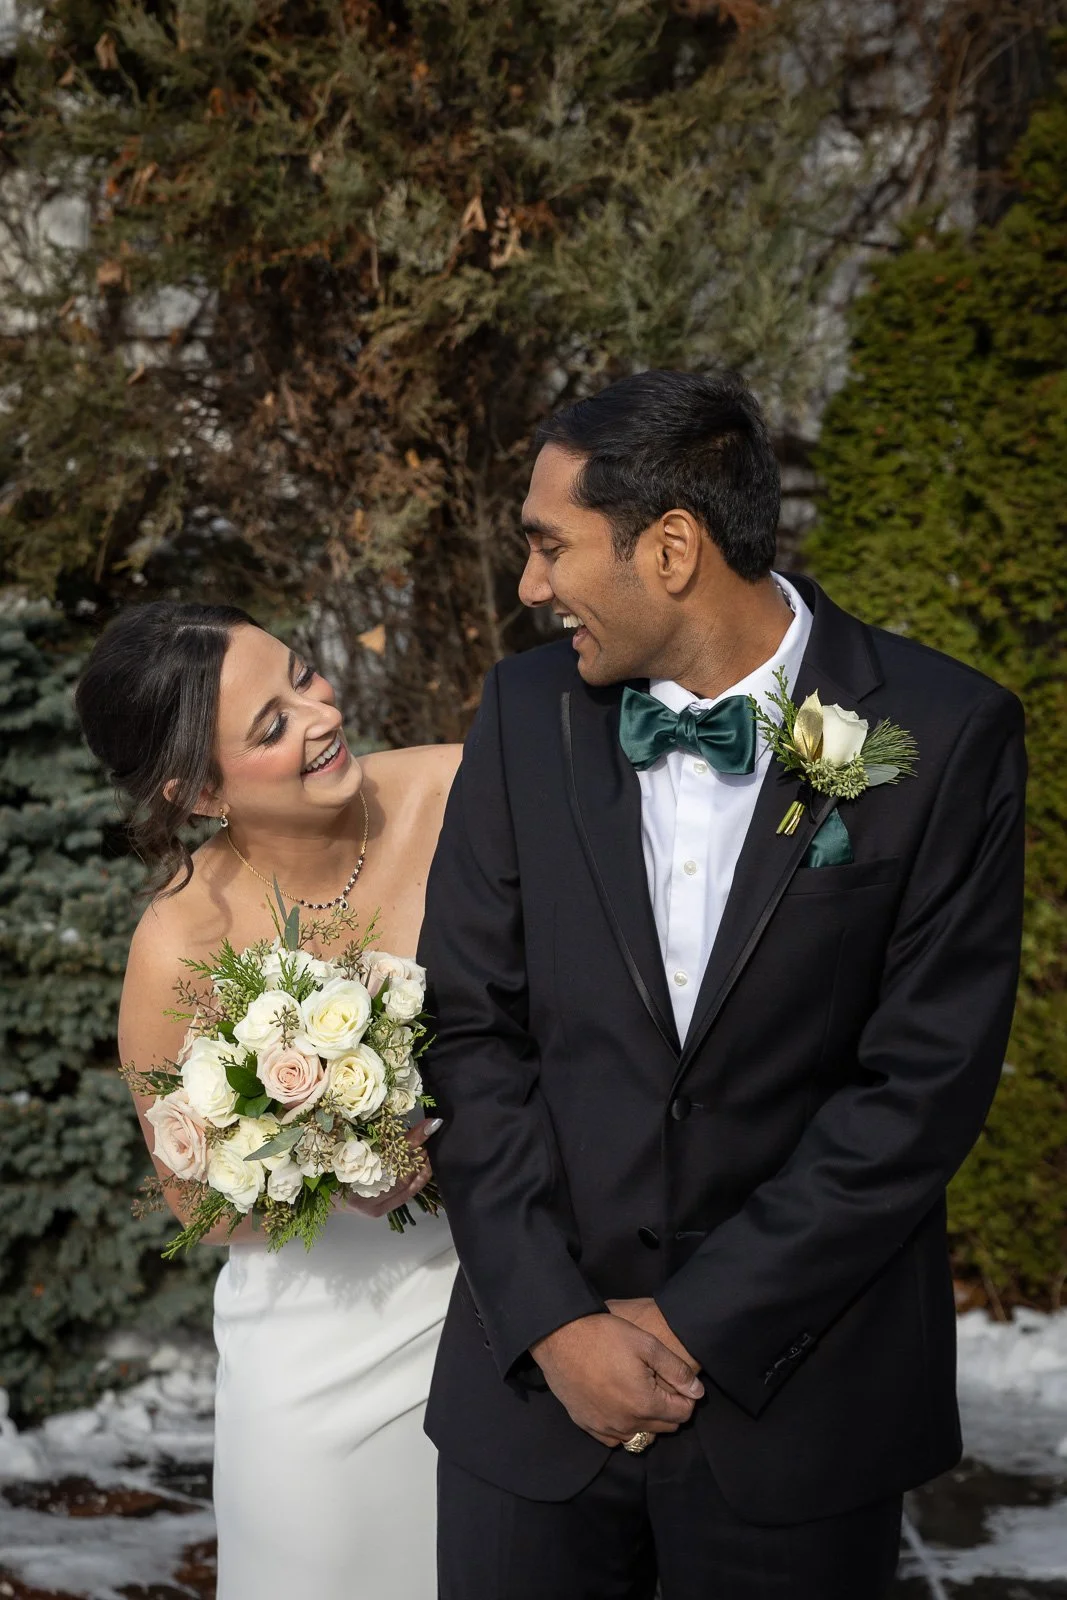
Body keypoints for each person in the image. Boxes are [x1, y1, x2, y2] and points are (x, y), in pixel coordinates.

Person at [419, 369, 1027, 1599]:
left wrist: (691, 1321)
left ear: (674, 547)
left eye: (550, 546)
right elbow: (469, 1032)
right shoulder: (521, 713)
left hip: (803, 1404)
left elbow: (917, 1089)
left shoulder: (947, 732)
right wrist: (558, 1322)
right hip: (535, 1402)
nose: (531, 587)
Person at [75, 604, 460, 1600]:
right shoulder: (181, 942)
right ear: (198, 791)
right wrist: (333, 1162)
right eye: (270, 725)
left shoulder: (459, 788)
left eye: (303, 675)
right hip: (317, 1355)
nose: (318, 712)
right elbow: (189, 1199)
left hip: (512, 1294)